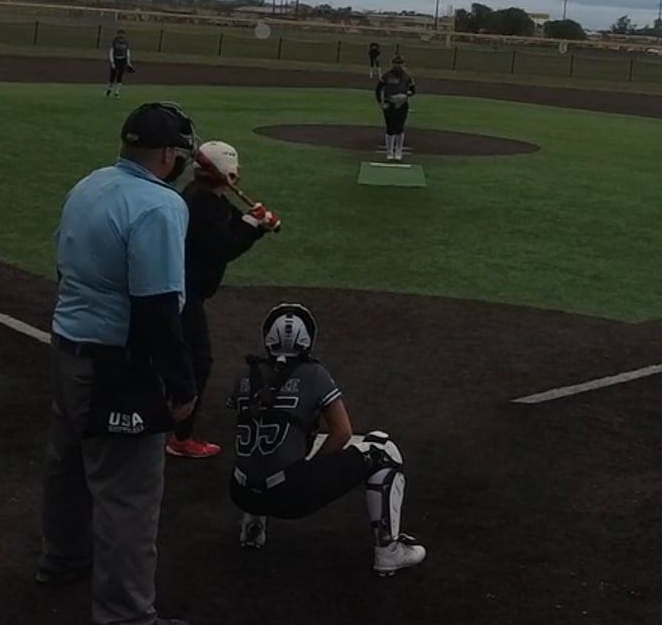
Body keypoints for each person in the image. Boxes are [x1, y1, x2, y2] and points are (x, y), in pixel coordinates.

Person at [36, 101, 200, 625]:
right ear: (168, 154)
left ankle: (62, 558)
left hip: (68, 345)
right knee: (128, 496)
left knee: (67, 466)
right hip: (117, 365)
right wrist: (181, 384)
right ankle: (126, 615)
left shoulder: (90, 184)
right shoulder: (160, 206)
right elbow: (158, 306)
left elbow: (63, 267)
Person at [227, 303, 427, 577]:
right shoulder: (314, 374)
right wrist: (310, 470)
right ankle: (388, 550)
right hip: (288, 497)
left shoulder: (244, 375)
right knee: (382, 451)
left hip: (240, 492)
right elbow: (342, 432)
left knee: (267, 437)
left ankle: (253, 526)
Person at [167, 140, 281, 460]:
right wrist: (254, 226)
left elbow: (233, 221)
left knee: (182, 355)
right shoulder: (200, 204)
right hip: (183, 292)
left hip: (186, 290)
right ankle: (180, 436)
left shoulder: (208, 198)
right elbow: (225, 246)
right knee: (198, 360)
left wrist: (256, 221)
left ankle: (169, 411)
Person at [374, 55, 416, 161]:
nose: (397, 66)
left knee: (400, 128)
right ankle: (389, 152)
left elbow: (413, 90)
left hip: (402, 104)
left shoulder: (407, 76)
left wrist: (405, 95)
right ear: (392, 64)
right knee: (390, 128)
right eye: (395, 63)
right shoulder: (386, 76)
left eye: (399, 63)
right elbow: (378, 89)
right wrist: (380, 102)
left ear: (403, 64)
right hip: (389, 104)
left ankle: (398, 152)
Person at [106, 31, 135, 98]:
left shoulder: (126, 42)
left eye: (122, 34)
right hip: (116, 59)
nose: (121, 36)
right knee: (112, 75)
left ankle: (117, 92)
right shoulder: (115, 41)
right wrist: (112, 62)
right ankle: (109, 89)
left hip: (123, 60)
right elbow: (111, 51)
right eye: (120, 34)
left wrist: (128, 63)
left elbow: (127, 52)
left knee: (120, 75)